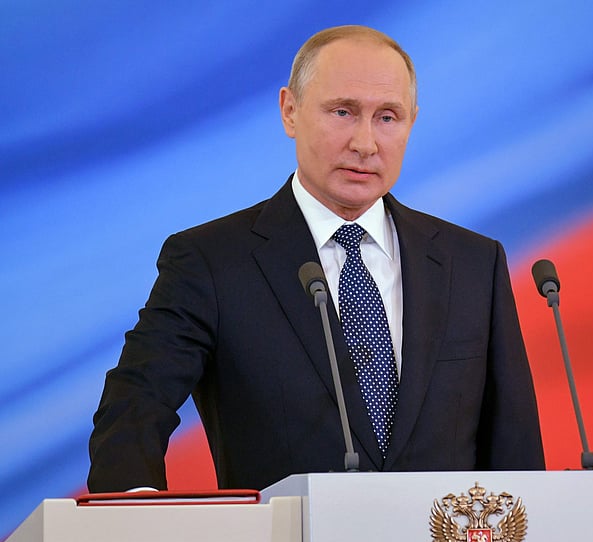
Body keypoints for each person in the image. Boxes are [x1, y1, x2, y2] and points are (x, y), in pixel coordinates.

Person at [87, 25, 544, 493]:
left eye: (388, 117)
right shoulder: (211, 262)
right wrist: (131, 514)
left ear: (412, 122)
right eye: (343, 112)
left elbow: (515, 447)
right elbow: (136, 402)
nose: (365, 143)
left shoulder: (472, 263)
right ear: (290, 111)